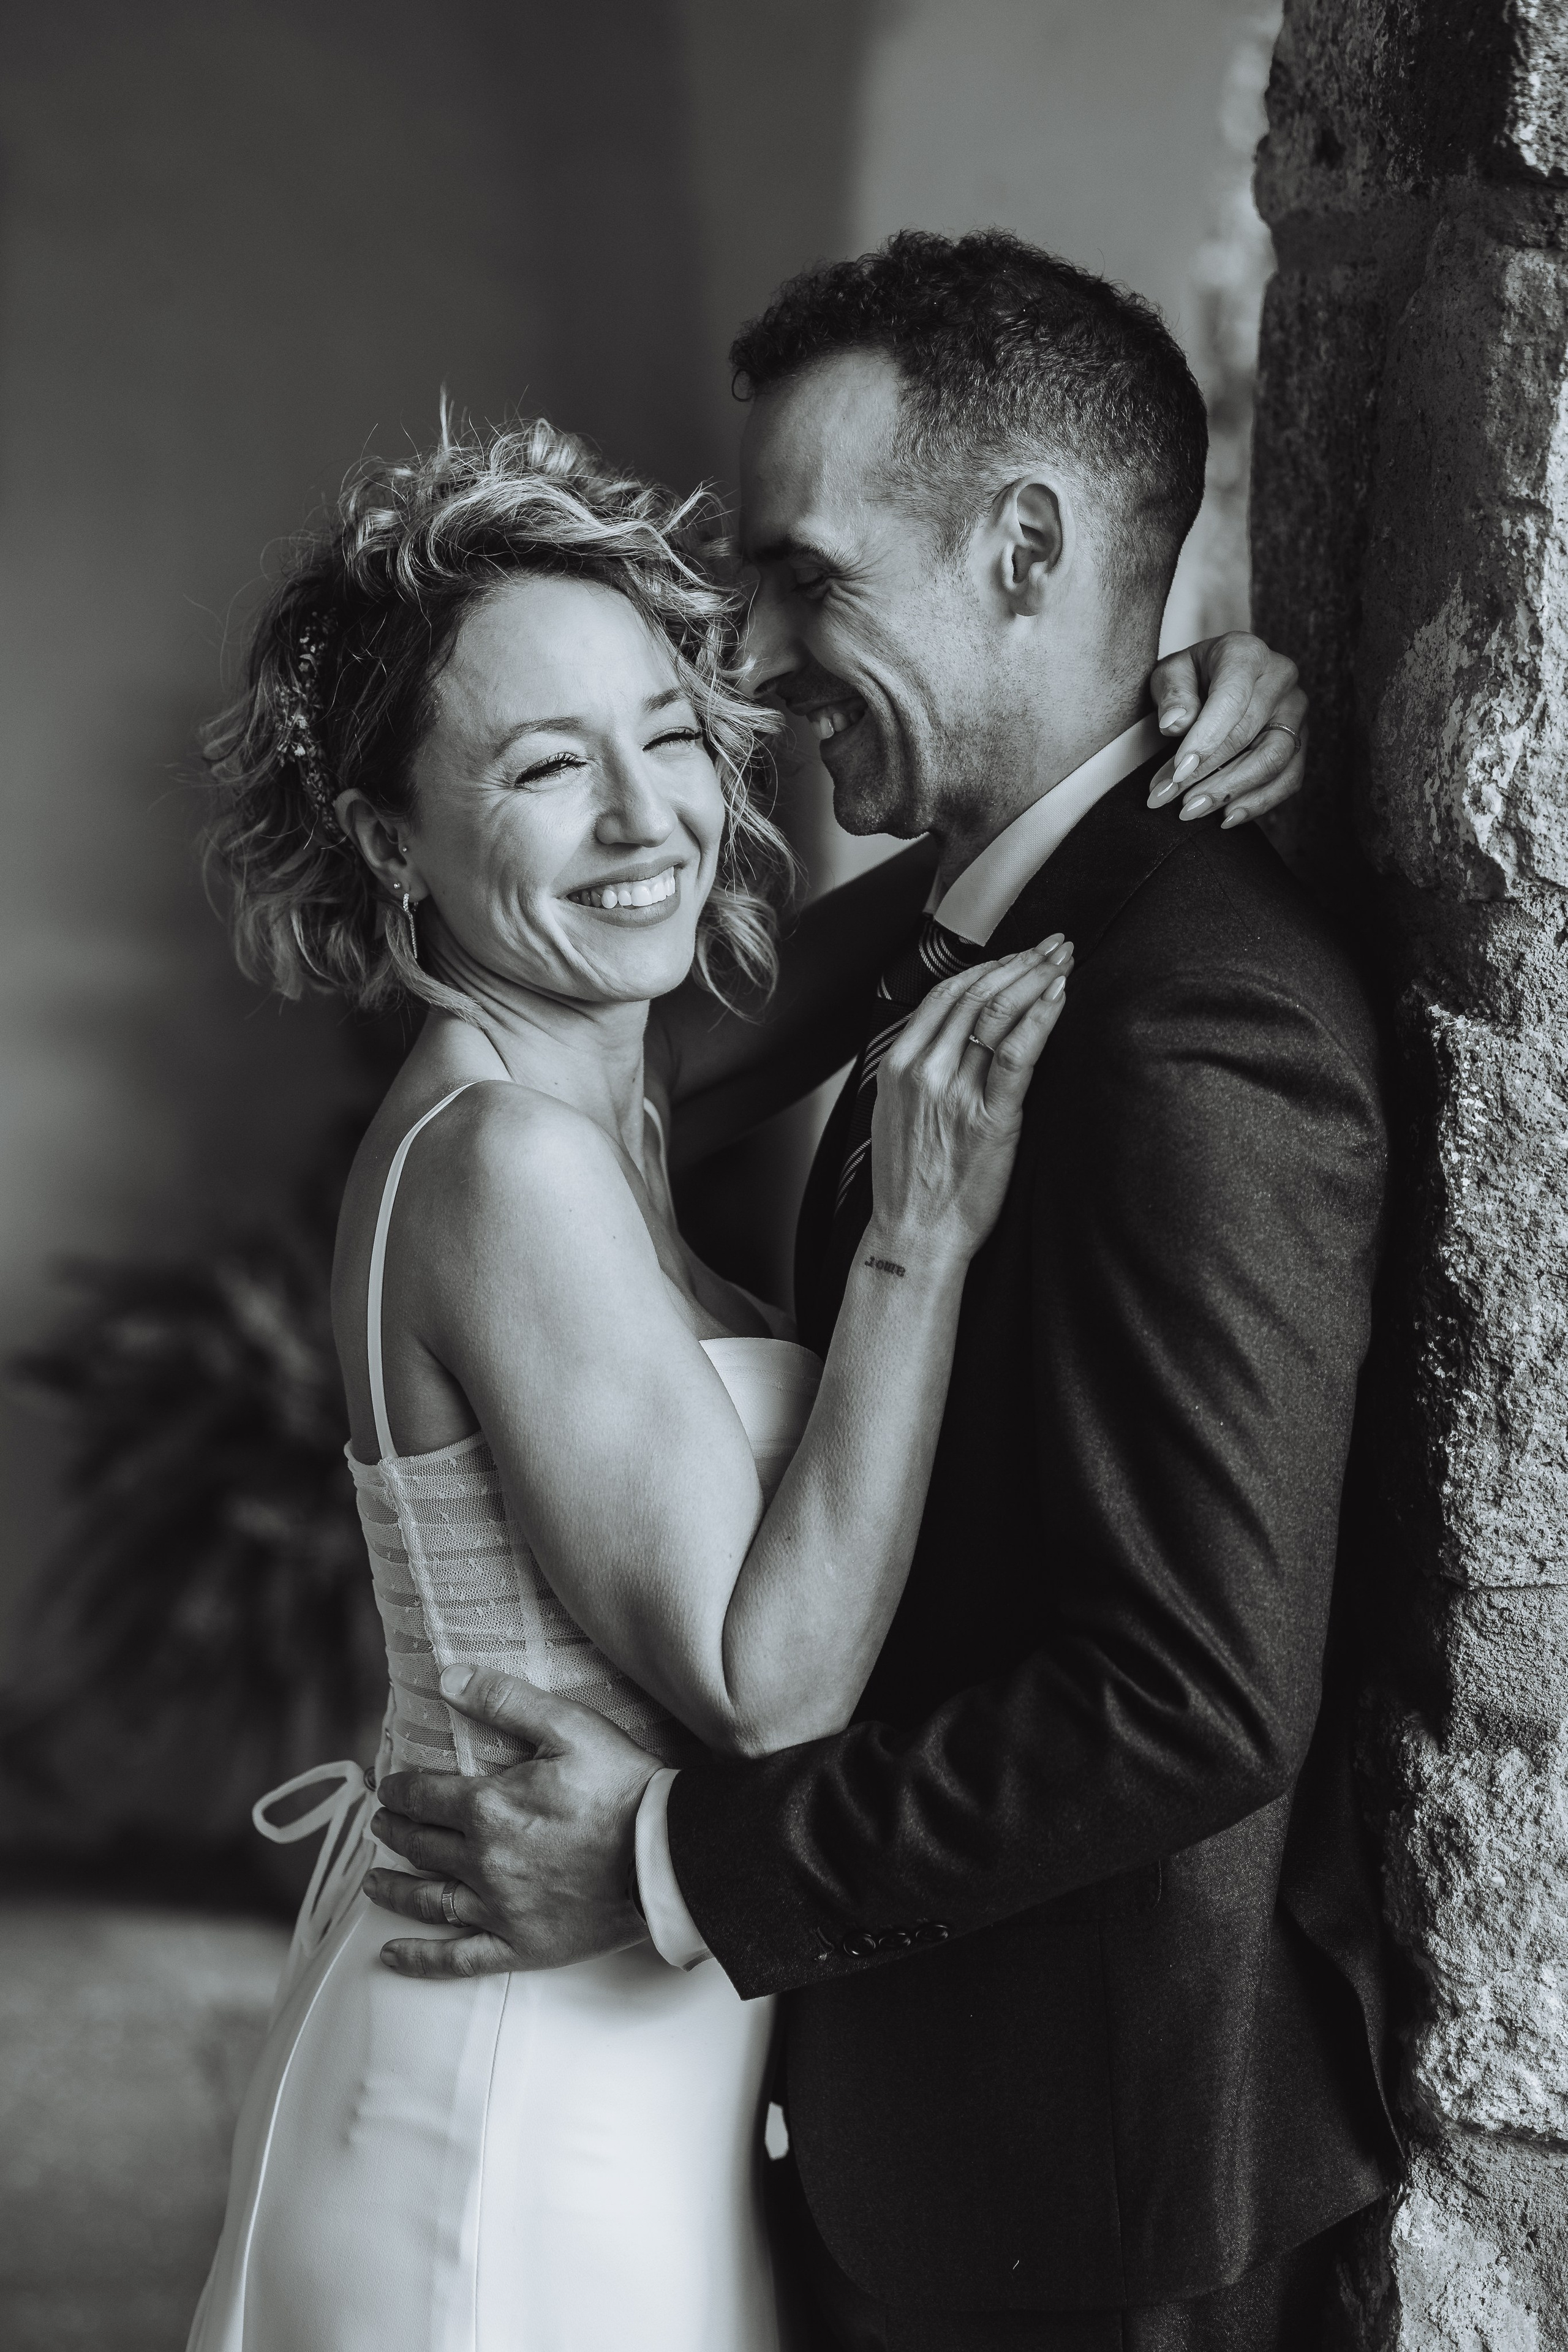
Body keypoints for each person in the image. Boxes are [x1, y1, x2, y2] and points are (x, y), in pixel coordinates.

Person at [368, 233, 1398, 2352]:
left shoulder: (1192, 1022)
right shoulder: (979, 938)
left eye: (805, 578)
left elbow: (1194, 1699)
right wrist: (1187, 668)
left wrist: (673, 1869)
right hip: (897, 2132)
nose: (748, 664)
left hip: (1087, 2189)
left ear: (1024, 545)